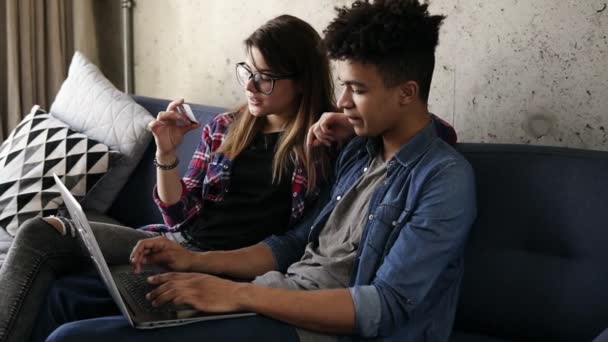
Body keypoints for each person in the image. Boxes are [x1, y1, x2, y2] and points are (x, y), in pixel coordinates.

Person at [39, 1, 476, 341]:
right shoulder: (359, 152)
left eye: (357, 90)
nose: (341, 101)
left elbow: (385, 307)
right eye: (342, 85)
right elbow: (293, 242)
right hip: (277, 290)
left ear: (407, 93)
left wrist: (235, 293)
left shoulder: (442, 180)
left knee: (71, 338)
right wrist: (196, 261)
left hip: (316, 328)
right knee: (64, 299)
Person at [0, 14, 337, 342]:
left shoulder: (322, 146)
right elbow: (179, 215)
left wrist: (202, 264)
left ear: (303, 80)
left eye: (265, 77)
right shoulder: (225, 128)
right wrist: (166, 154)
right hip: (177, 243)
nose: (249, 85)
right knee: (43, 236)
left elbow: (299, 242)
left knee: (64, 294)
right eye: (247, 70)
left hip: (226, 269)